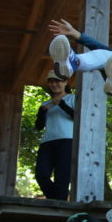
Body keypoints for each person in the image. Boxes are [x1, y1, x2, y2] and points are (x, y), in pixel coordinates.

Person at [35, 70, 75, 200]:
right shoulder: (45, 104)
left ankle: (58, 205)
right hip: (47, 142)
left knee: (62, 177)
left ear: (65, 82)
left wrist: (61, 104)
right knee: (41, 175)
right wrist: (42, 112)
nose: (54, 84)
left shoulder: (73, 98)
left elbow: (78, 117)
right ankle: (57, 200)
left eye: (57, 81)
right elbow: (39, 126)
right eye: (51, 81)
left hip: (67, 141)